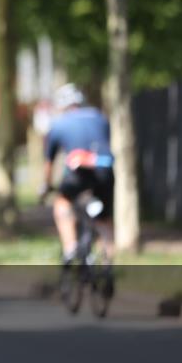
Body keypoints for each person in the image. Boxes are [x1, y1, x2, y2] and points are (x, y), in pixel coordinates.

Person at [42, 83, 115, 264]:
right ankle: (108, 263)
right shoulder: (99, 117)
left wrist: (46, 185)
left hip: (78, 173)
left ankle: (70, 246)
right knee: (104, 219)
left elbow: (49, 163)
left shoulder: (58, 125)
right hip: (105, 170)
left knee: (62, 202)